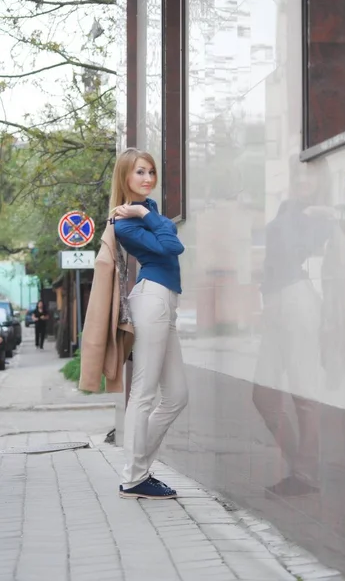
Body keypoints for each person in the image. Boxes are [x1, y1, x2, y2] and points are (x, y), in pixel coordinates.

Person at [111, 147, 188, 500]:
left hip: (166, 300)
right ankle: (134, 477)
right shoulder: (125, 222)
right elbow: (173, 247)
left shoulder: (148, 210)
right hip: (152, 299)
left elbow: (166, 238)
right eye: (140, 172)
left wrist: (147, 211)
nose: (147, 178)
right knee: (143, 393)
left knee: (177, 396)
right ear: (125, 176)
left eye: (151, 172)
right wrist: (143, 211)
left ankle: (138, 468)